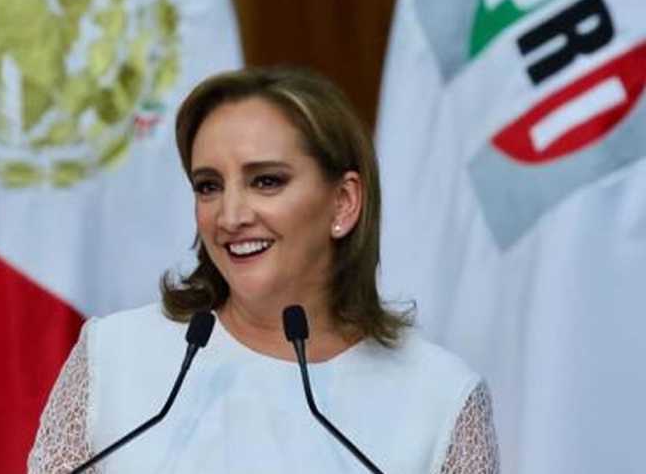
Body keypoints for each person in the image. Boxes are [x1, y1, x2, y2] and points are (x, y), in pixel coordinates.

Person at [27, 67, 500, 473]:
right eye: (209, 186)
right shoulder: (116, 356)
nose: (230, 216)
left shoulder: (440, 398)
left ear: (343, 202)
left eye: (266, 181)